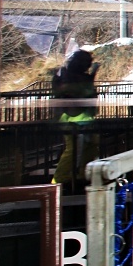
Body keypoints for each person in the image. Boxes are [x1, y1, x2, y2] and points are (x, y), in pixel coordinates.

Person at [51, 49, 99, 185]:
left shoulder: (69, 74)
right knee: (73, 149)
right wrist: (92, 77)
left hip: (82, 117)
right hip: (72, 118)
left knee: (91, 146)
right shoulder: (68, 76)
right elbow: (81, 90)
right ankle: (59, 180)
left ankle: (82, 175)